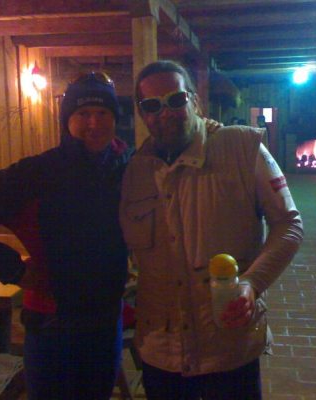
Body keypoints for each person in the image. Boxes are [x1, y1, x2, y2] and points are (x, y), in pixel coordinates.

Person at [119, 60, 304, 399]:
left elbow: (289, 224)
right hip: (161, 351)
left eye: (176, 99)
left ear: (195, 101)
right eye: (152, 105)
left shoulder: (242, 147)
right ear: (142, 114)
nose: (165, 112)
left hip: (228, 346)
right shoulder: (135, 171)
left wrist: (251, 282)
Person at [0, 71, 134, 399]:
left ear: (115, 118)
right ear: (67, 121)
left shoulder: (128, 168)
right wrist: (15, 271)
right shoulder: (36, 173)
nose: (94, 122)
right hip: (52, 322)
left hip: (106, 319)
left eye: (103, 112)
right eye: (83, 113)